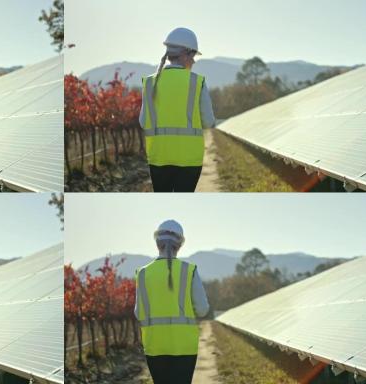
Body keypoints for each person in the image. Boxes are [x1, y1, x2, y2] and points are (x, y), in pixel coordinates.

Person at [139, 27, 216, 192]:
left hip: (158, 157)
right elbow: (209, 121)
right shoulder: (197, 82)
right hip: (189, 159)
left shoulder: (150, 82)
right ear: (185, 54)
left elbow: (142, 121)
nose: (194, 61)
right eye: (193, 56)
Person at [134, 219, 210, 384]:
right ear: (180, 245)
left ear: (157, 243)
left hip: (154, 346)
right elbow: (203, 309)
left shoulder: (142, 274)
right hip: (184, 347)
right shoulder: (189, 270)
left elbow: (138, 313)